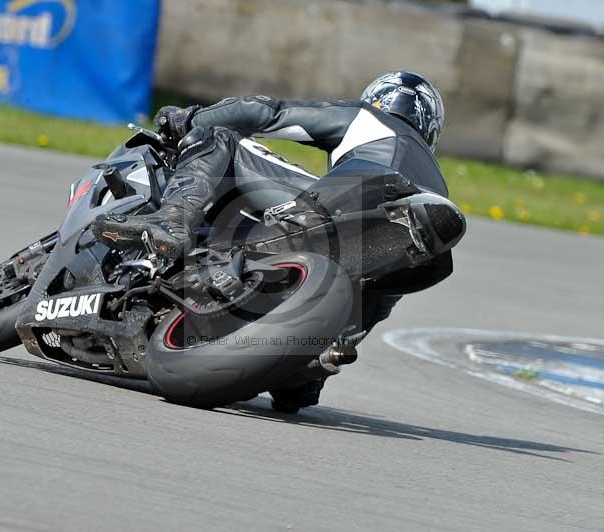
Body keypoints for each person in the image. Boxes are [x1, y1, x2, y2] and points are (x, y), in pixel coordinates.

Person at [93, 71, 466, 411]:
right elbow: (383, 297)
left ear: (379, 99)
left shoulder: (369, 118)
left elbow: (265, 113)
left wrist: (188, 119)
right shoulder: (433, 184)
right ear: (430, 128)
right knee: (375, 285)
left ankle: (171, 221)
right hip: (400, 250)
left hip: (348, 198)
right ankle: (310, 367)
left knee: (218, 138)